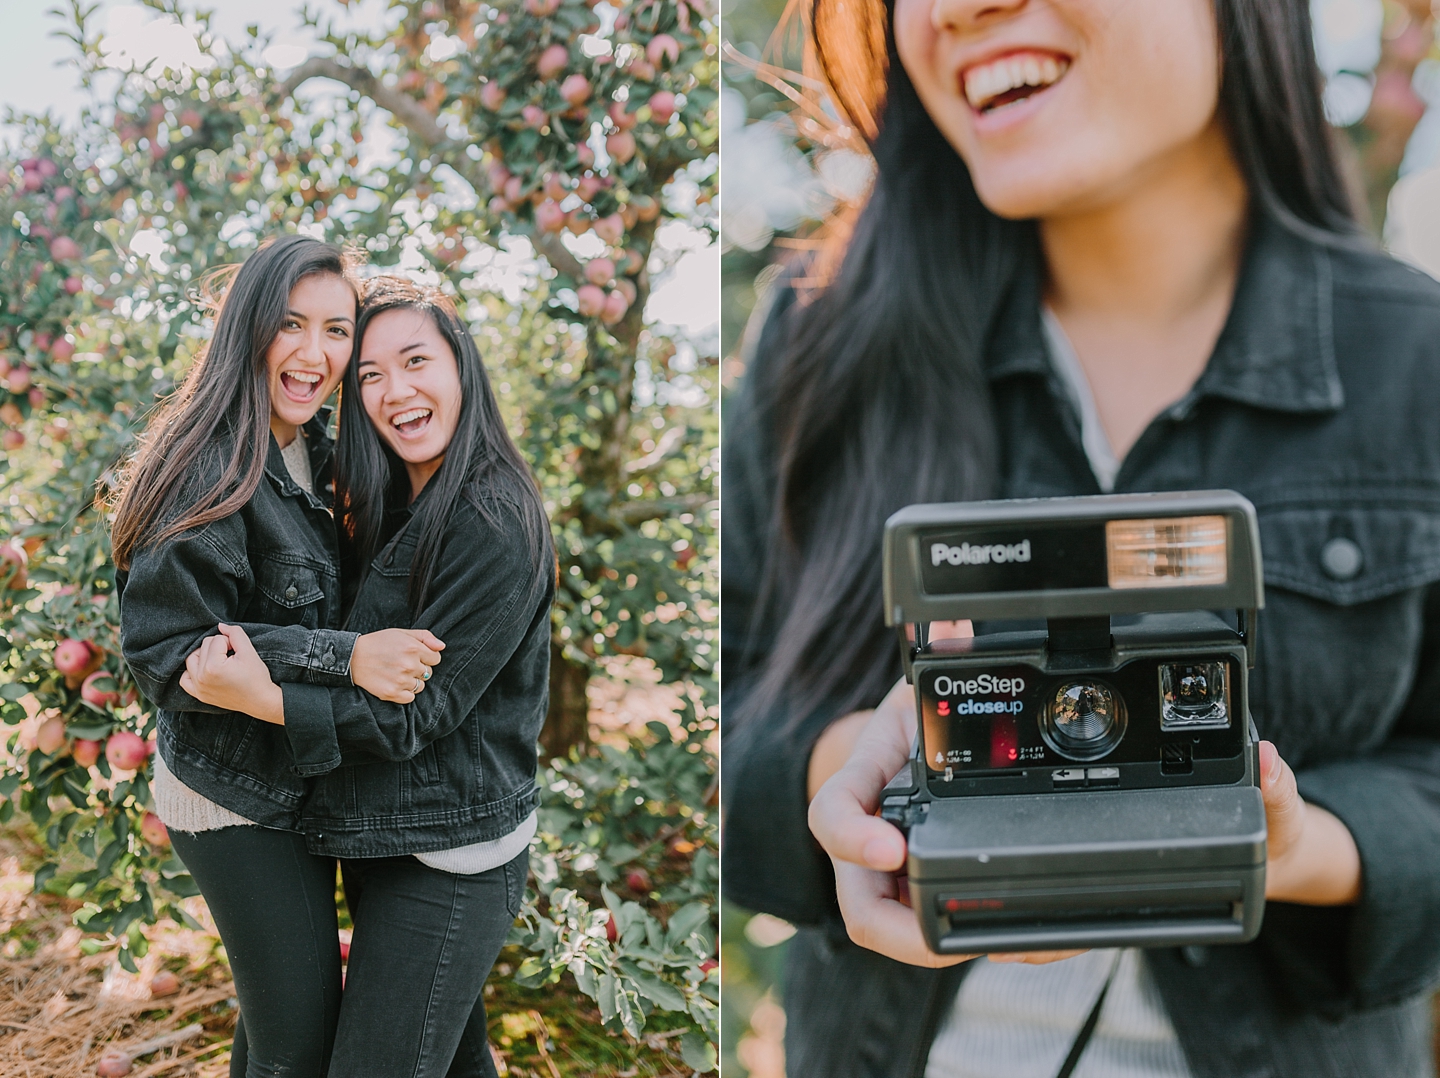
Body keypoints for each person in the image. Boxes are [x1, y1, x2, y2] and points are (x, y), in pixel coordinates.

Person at [721, 0, 1440, 1075]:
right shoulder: (818, 343)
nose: (961, 7)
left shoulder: (1415, 359)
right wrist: (871, 773)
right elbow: (709, 710)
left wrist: (1289, 842)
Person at [180, 276, 555, 1078]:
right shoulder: (386, 500)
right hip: (386, 835)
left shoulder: (492, 521)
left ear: (463, 368)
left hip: (450, 854)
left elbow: (411, 718)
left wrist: (264, 697)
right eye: (371, 377)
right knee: (448, 1059)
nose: (395, 391)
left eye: (415, 360)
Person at [112, 235, 446, 1077]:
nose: (315, 353)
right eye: (291, 325)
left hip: (297, 770)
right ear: (248, 328)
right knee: (299, 1048)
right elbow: (165, 650)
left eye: (338, 331)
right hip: (233, 794)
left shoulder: (325, 453)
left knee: (277, 1030)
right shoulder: (207, 464)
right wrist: (346, 657)